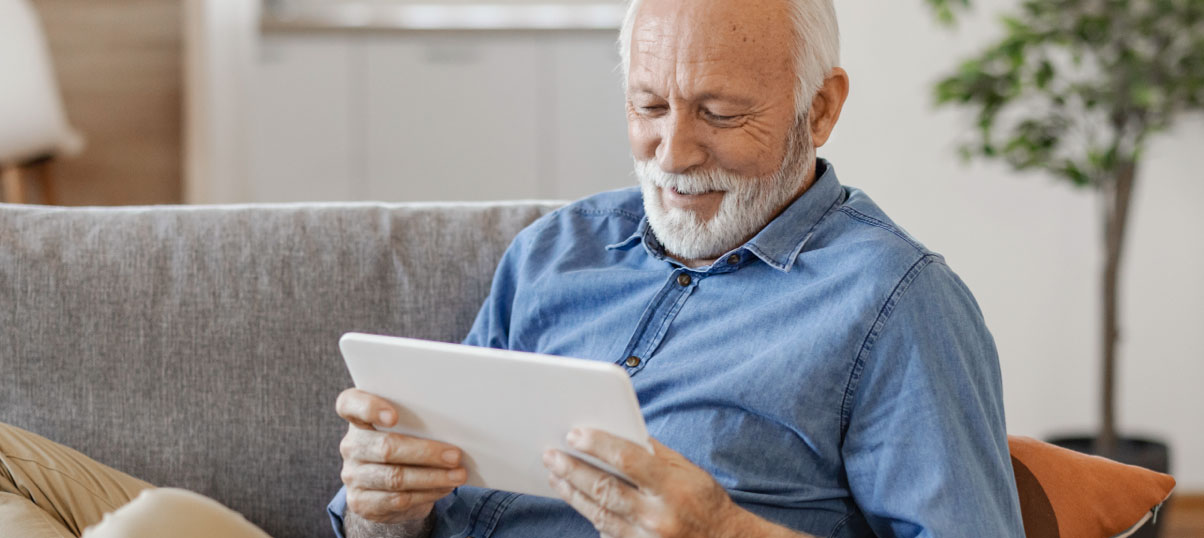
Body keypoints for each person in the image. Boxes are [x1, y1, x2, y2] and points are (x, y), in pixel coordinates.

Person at [331, 0, 1026, 537]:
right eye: (649, 106)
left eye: (720, 113)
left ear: (819, 109)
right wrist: (385, 506)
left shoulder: (896, 303)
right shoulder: (554, 252)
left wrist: (729, 531)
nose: (673, 154)